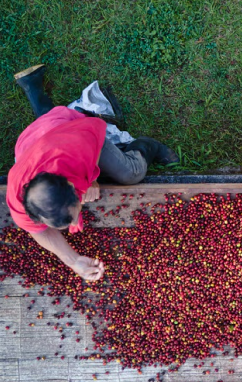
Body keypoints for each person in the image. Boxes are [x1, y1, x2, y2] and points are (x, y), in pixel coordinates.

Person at [6, 64, 179, 281]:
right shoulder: (18, 201)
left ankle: (147, 146)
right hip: (34, 142)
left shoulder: (77, 149)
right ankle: (33, 87)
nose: (73, 223)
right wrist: (72, 260)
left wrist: (91, 178)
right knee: (49, 123)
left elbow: (94, 131)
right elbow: (38, 230)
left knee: (130, 174)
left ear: (71, 185)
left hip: (76, 131)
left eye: (74, 213)